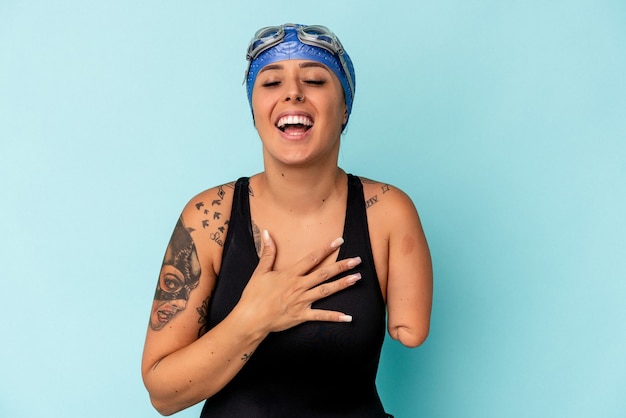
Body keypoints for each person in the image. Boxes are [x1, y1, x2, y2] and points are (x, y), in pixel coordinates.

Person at [142, 23, 433, 417]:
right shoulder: (209, 217)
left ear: (345, 106)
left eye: (314, 79)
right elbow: (164, 395)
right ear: (255, 110)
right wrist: (253, 318)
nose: (293, 92)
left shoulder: (387, 212)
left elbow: (411, 329)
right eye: (271, 83)